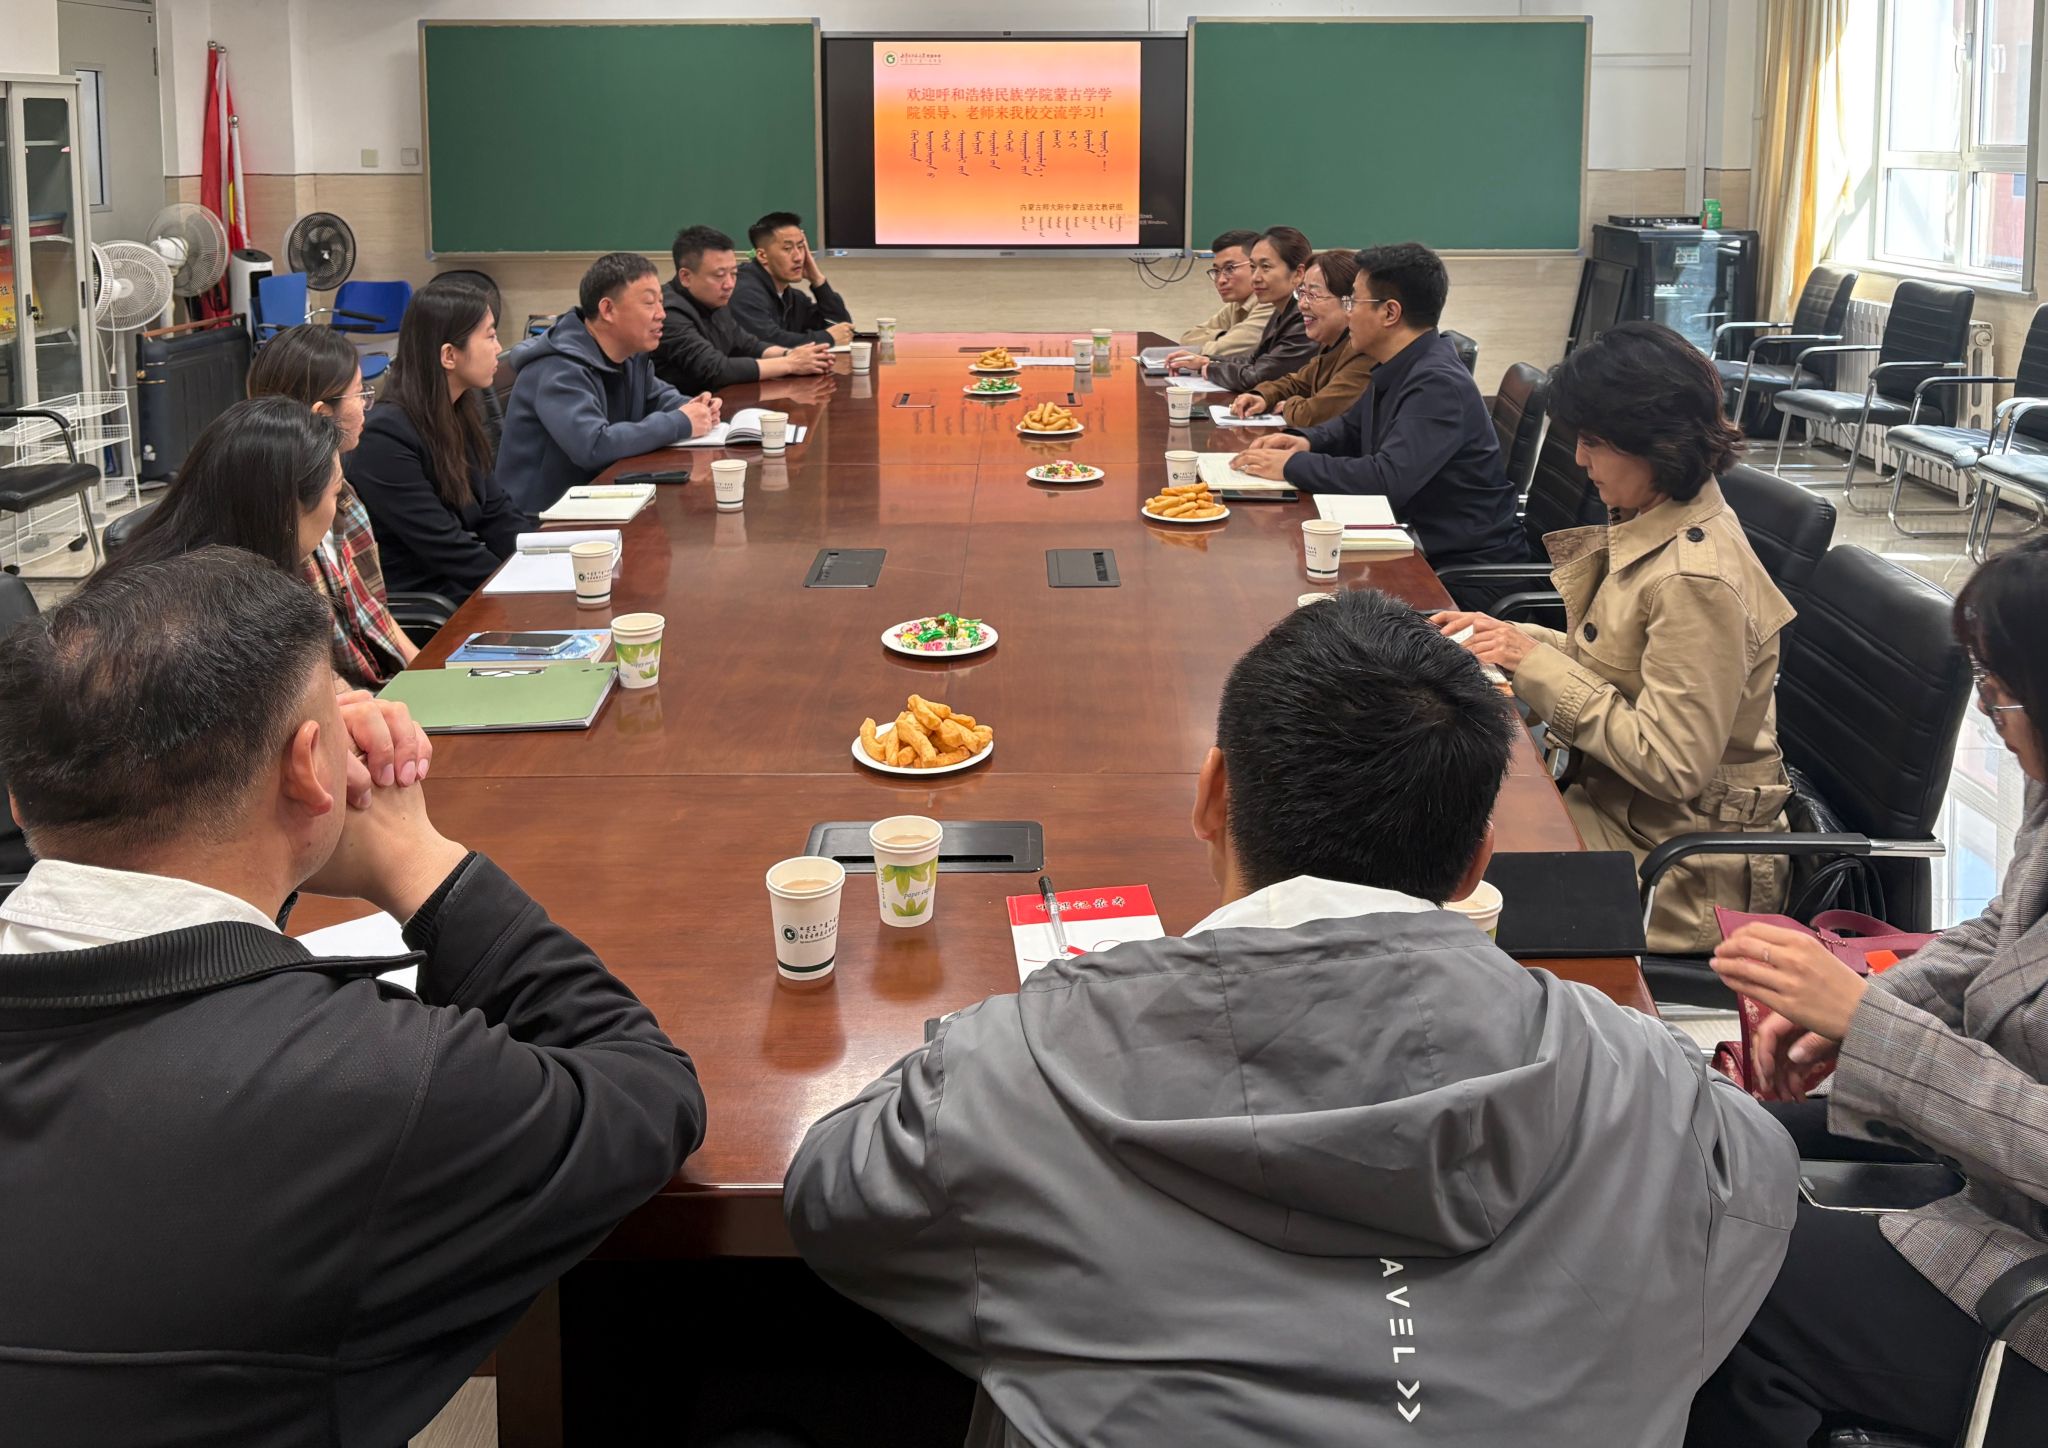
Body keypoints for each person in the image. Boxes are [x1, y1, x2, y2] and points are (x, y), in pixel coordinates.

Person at [785, 589, 1794, 1447]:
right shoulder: (1649, 1085)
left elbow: (831, 1195)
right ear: (1475, 862)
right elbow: (1756, 1178)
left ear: (1210, 797)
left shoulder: (1009, 1072)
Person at [0, 546, 704, 1444]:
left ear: (21, 797)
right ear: (309, 768)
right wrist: (417, 861)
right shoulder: (366, 1082)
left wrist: (287, 820)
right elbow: (647, 1092)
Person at [1686, 537, 2048, 1447]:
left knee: (1718, 1274)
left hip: (2030, 1278)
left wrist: (1874, 1027)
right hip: (1995, 1174)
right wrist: (1858, 1016)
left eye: (2001, 691)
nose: (1992, 715)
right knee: (1701, 1138)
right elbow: (2002, 930)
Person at [1434, 321, 1794, 955]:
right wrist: (1511, 639)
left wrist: (1534, 663)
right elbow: (1621, 669)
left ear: (1656, 441)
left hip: (1679, 871)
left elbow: (1671, 763)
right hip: (1620, 813)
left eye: (1594, 443)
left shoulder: (1696, 579)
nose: (1579, 460)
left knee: (1437, 880)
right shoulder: (1656, 522)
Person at [1233, 241, 1526, 571]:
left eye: (1353, 301)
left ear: (1390, 313)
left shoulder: (1437, 383)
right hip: (1414, 540)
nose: (1348, 312)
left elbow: (1387, 480)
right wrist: (1305, 442)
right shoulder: (1401, 362)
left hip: (1458, 567)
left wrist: (1292, 466)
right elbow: (1351, 426)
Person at [110, 396, 423, 691]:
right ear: (288, 509)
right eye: (335, 492)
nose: (340, 505)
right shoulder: (228, 625)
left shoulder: (174, 572)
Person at [248, 323, 419, 684]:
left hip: (385, 688)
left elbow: (377, 613)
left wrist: (429, 676)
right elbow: (304, 677)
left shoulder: (346, 499)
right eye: (360, 393)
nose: (367, 405)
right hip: (347, 704)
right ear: (322, 415)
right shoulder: (273, 525)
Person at [346, 281, 533, 604]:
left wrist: (541, 561)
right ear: (449, 355)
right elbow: (444, 546)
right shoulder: (384, 438)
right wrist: (518, 586)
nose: (498, 347)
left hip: (462, 586)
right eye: (490, 336)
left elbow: (496, 512)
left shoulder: (458, 411)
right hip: (431, 603)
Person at [498, 251, 722, 513]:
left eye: (661, 302)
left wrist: (697, 407)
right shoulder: (558, 366)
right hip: (543, 517)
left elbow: (658, 398)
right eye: (649, 303)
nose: (661, 314)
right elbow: (593, 446)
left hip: (601, 496)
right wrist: (681, 421)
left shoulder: (629, 354)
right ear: (607, 310)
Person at [654, 225, 835, 397]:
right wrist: (790, 364)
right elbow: (716, 369)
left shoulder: (713, 299)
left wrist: (790, 354)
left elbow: (747, 344)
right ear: (686, 277)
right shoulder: (667, 313)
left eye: (733, 273)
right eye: (719, 275)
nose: (729, 284)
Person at [1226, 248, 1375, 429]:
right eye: (1302, 293)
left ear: (1349, 302)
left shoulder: (1365, 351)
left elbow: (1314, 414)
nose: (1302, 304)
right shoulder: (1332, 343)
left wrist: (1288, 406)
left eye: (1313, 295)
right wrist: (1263, 396)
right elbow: (1297, 382)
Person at [1163, 225, 1317, 390]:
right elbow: (1254, 361)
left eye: (1265, 267)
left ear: (1298, 274)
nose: (1255, 277)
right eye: (1253, 267)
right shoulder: (1282, 309)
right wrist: (1207, 361)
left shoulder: (1306, 315)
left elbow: (1259, 376)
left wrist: (1208, 367)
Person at [730, 212, 855, 349]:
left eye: (801, 247)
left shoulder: (792, 297)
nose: (798, 257)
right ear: (762, 255)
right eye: (787, 249)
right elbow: (767, 341)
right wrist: (827, 338)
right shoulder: (743, 291)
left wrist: (817, 280)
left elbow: (842, 330)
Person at [1175, 228, 1271, 359]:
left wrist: (1220, 342)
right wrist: (1222, 336)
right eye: (1216, 271)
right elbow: (1187, 338)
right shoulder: (1236, 305)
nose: (1221, 280)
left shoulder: (1271, 303)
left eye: (1230, 268)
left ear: (1256, 265)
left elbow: (1221, 351)